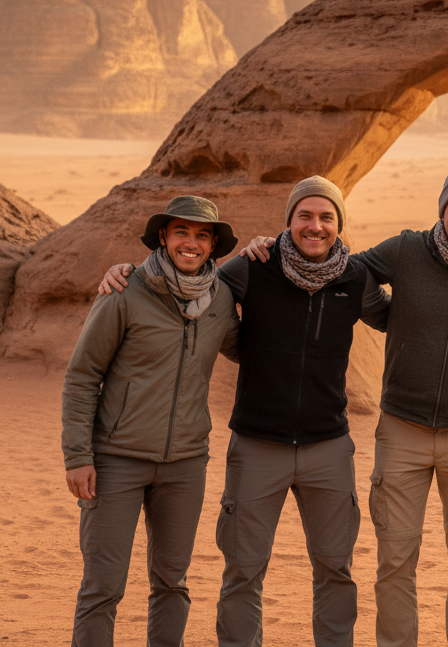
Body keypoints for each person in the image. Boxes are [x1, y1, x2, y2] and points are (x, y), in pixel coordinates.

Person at [99, 176, 391, 646]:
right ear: (288, 221)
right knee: (243, 569)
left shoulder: (356, 278)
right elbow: (186, 278)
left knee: (336, 567)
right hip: (256, 445)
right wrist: (126, 273)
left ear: (339, 224)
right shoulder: (252, 267)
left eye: (326, 217)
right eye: (304, 215)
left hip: (329, 448)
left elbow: (400, 317)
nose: (315, 226)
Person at [240, 166, 448, 647]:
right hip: (402, 429)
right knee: (395, 558)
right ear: (443, 209)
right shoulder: (407, 249)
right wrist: (278, 246)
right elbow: (344, 267)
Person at [63, 195, 239, 646]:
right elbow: (82, 376)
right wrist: (78, 456)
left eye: (202, 235)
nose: (191, 243)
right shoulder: (124, 291)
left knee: (172, 583)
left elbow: (248, 348)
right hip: (115, 461)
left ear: (213, 245)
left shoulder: (221, 298)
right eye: (181, 232)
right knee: (103, 587)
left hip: (185, 463)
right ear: (163, 236)